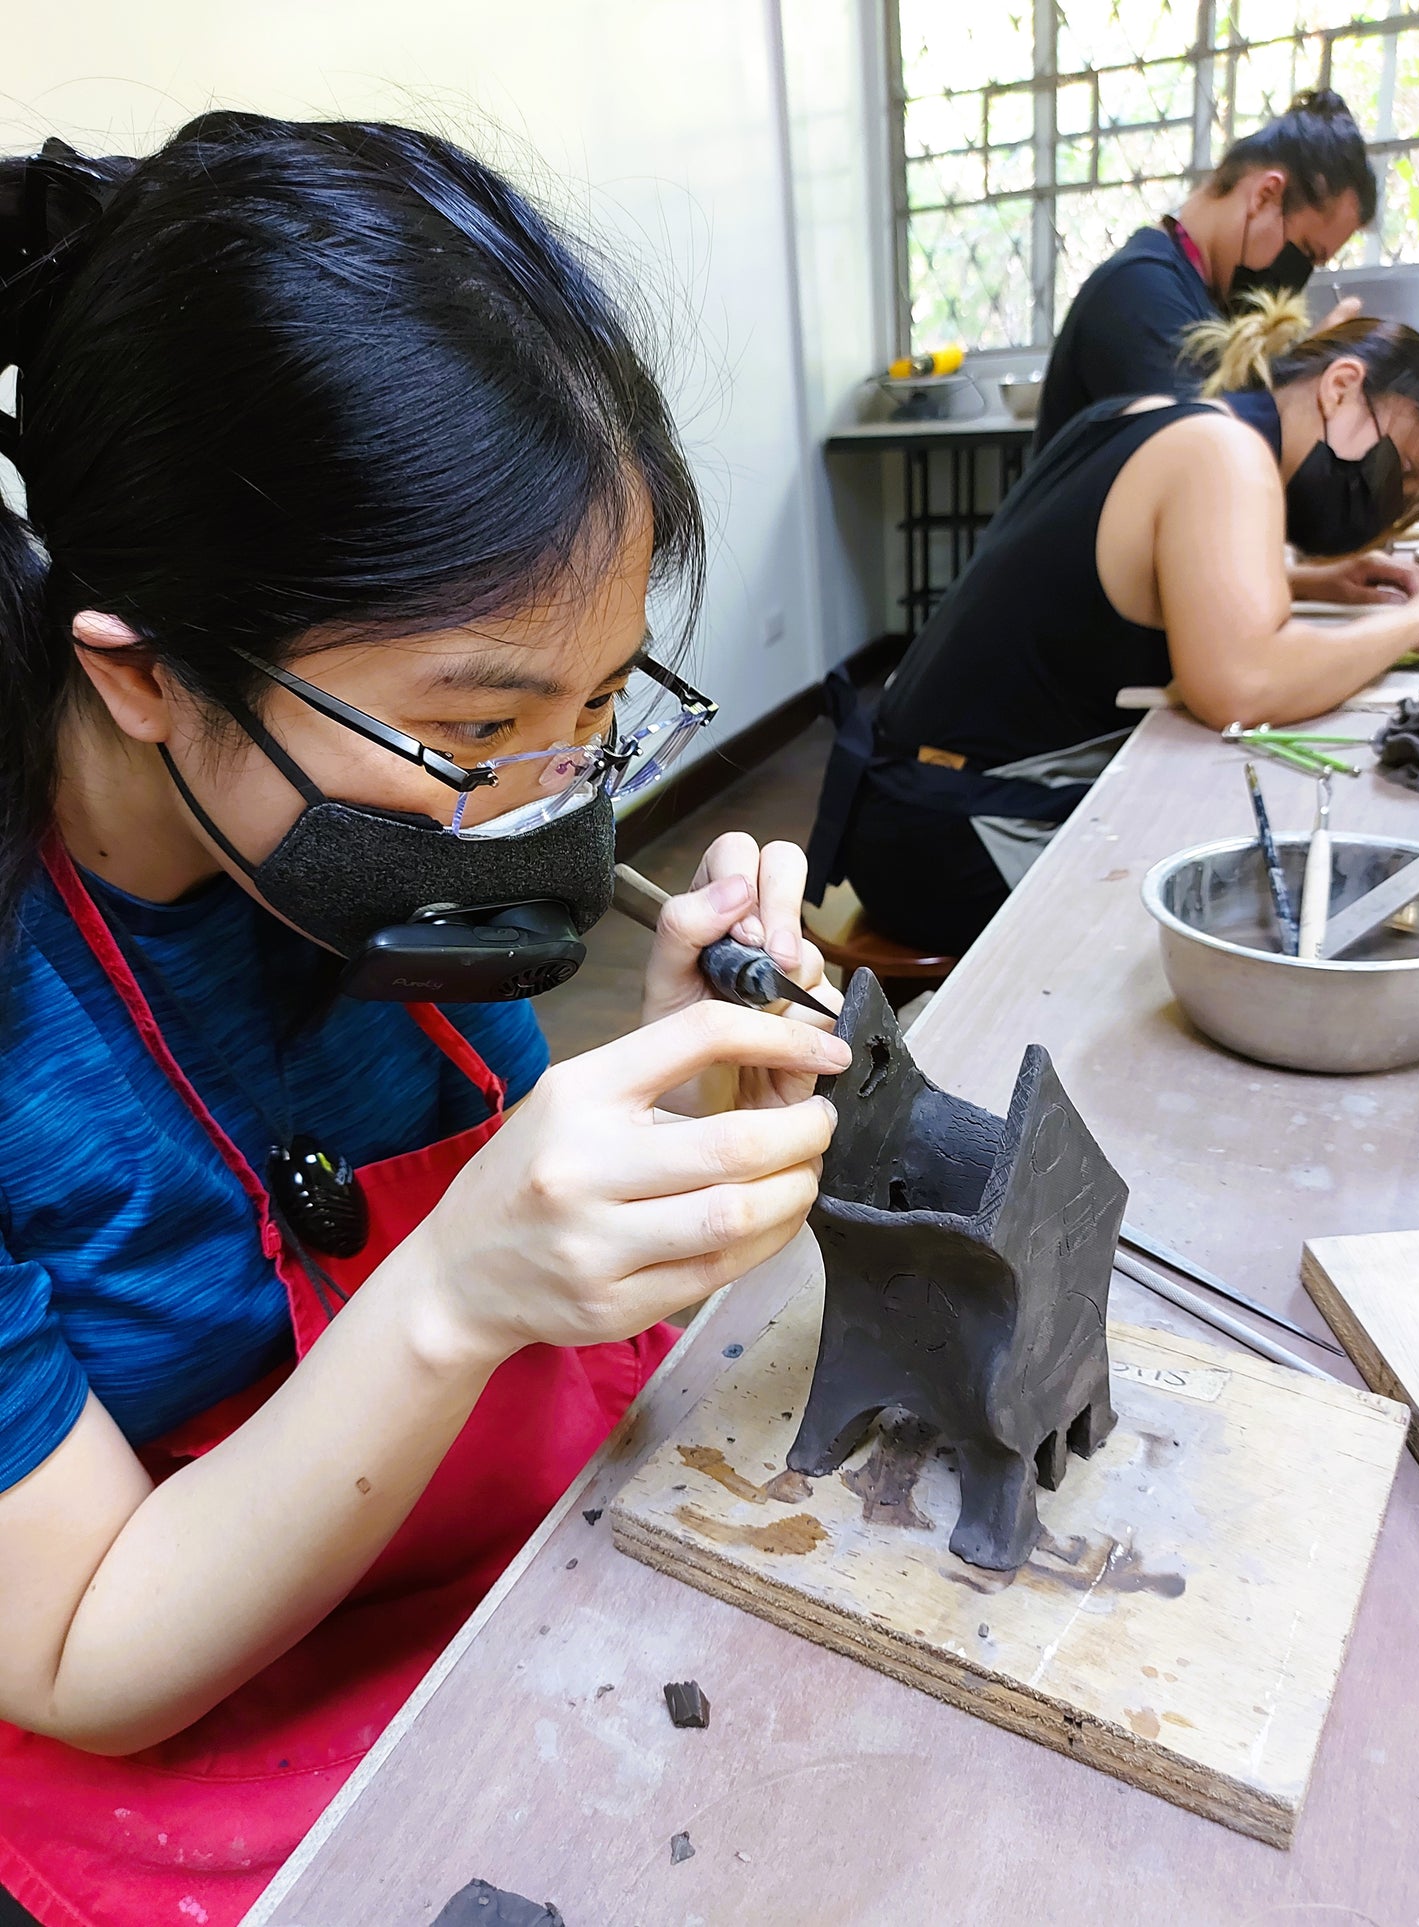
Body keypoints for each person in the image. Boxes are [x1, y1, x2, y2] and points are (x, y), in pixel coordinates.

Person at [0, 117, 848, 1927]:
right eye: (474, 738)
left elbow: (549, 1313)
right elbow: (70, 1647)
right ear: (142, 669)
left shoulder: (356, 850)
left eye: (597, 708)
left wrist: (682, 1093)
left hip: (505, 1586)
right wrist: (457, 1282)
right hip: (189, 1728)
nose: (542, 801)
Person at [806, 295, 1419, 956]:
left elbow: (1134, 576)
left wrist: (1306, 581)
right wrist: (1417, 622)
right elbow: (1240, 686)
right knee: (1248, 905)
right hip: (950, 835)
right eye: (1400, 469)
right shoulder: (1225, 453)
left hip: (902, 805)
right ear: (1340, 387)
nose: (1387, 499)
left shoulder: (1148, 414)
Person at [1033, 88, 1419, 607]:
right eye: (1305, 252)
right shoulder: (1141, 295)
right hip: (1065, 628)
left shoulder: (1197, 300)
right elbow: (1204, 498)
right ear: (1264, 196)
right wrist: (1308, 393)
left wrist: (1314, 581)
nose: (1297, 279)